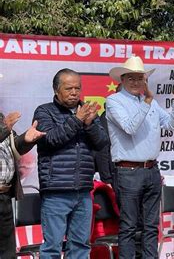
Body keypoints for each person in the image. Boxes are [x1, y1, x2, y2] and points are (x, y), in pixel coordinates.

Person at [106, 56, 174, 259]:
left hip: (152, 169)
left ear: (146, 80)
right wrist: (148, 102)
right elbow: (129, 127)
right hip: (128, 171)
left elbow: (171, 124)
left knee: (151, 226)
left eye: (140, 78)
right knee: (128, 227)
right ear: (122, 80)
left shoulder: (149, 103)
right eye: (131, 78)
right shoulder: (114, 101)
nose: (136, 82)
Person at [33, 68, 109, 258]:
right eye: (69, 88)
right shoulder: (44, 111)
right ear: (56, 90)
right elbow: (51, 139)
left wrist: (90, 124)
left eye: (77, 88)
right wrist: (77, 120)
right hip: (56, 191)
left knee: (81, 245)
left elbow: (102, 143)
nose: (74, 92)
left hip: (83, 190)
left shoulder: (86, 111)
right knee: (52, 247)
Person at [0, 74, 45, 259]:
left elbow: (11, 147)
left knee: (7, 253)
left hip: (3, 195)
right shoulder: (3, 124)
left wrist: (26, 139)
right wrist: (4, 129)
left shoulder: (1, 118)